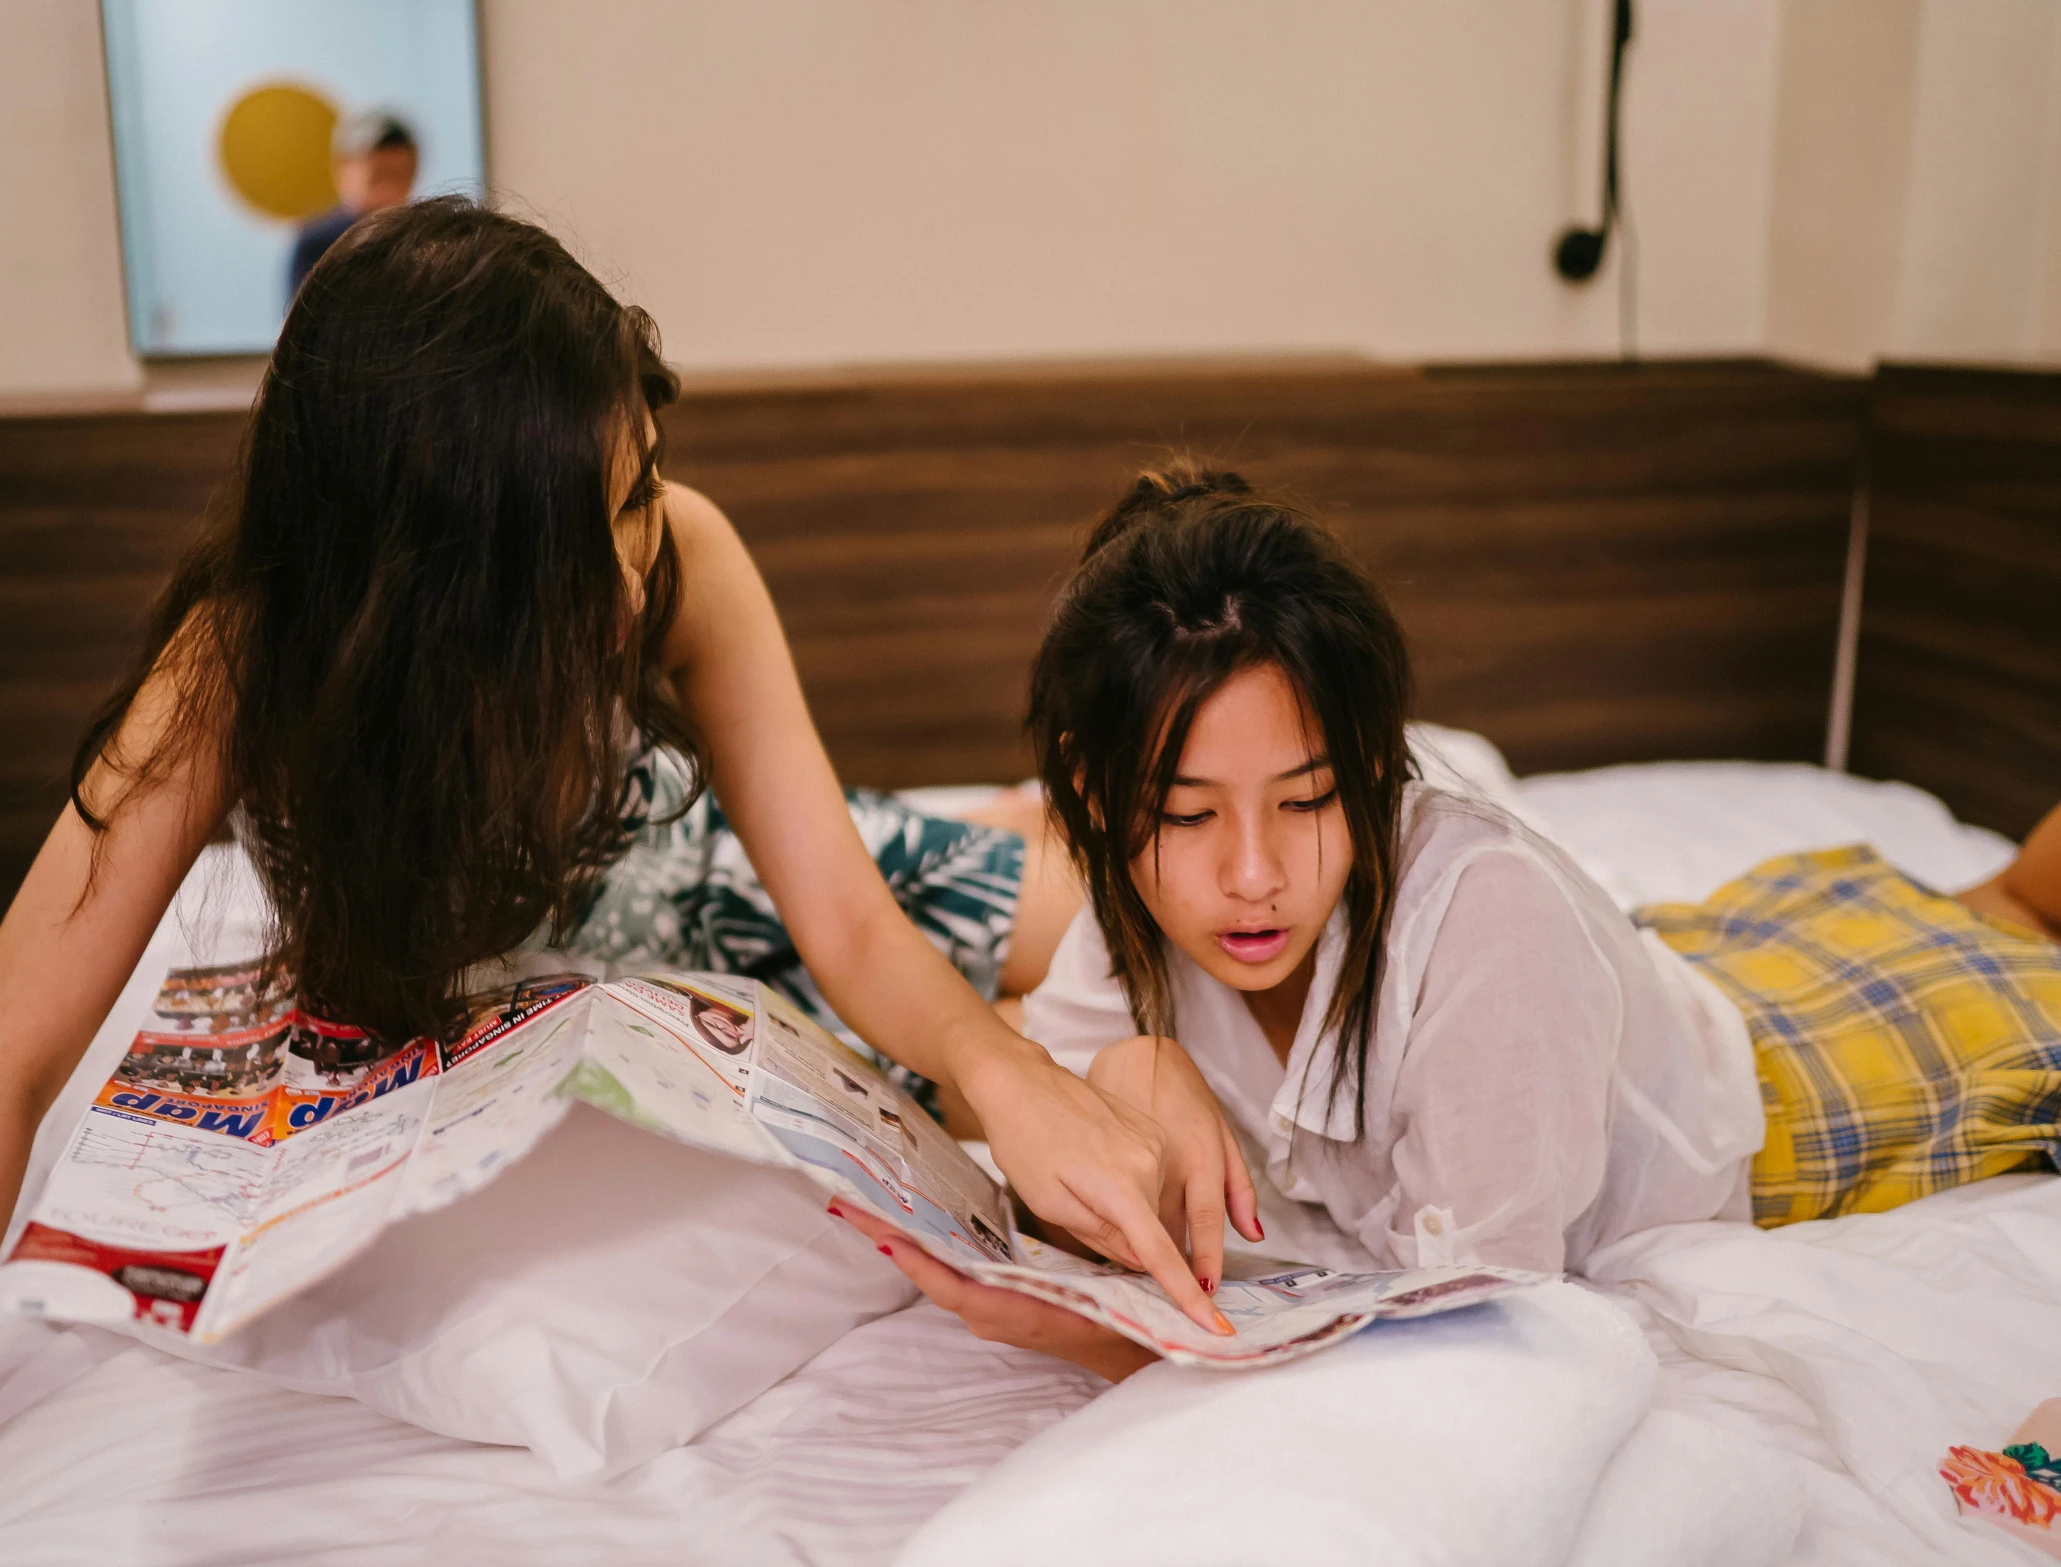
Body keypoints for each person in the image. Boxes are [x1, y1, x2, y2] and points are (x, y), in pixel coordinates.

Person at [0, 203, 1241, 1567]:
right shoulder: (242, 664)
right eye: (591, 523)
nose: (634, 554)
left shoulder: (678, 559)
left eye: (640, 487)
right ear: (438, 570)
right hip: (544, 986)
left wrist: (995, 1061)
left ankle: (1027, 817)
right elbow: (3, 1060)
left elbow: (843, 915)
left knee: (1087, 906)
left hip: (700, 882)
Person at [839, 461, 2061, 1382]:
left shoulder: (1489, 926)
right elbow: (1059, 1148)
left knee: (2017, 957)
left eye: (1310, 799)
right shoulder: (1139, 904)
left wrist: (1121, 1349)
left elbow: (1469, 1328)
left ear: (1375, 767)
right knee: (1974, 895)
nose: (1251, 875)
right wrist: (1128, 1063)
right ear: (1099, 801)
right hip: (1659, 973)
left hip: (1778, 1093)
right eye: (1188, 813)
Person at [286, 111, 418, 302]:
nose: (389, 187)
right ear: (343, 168)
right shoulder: (320, 242)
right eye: (379, 175)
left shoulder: (427, 236)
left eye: (399, 173)